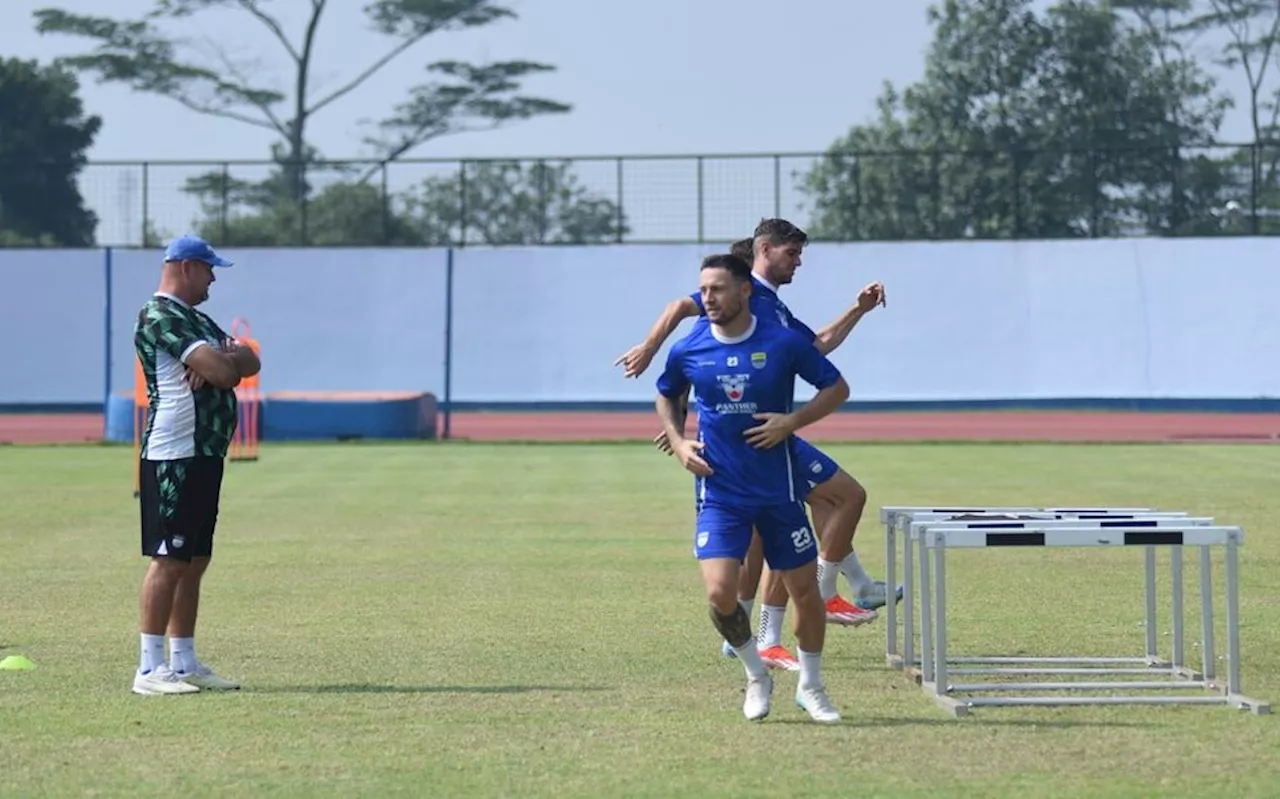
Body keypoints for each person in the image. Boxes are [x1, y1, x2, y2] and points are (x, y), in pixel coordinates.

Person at [618, 219, 899, 669]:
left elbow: (816, 347)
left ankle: (766, 626)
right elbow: (688, 336)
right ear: (764, 250)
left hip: (765, 435)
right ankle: (823, 597)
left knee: (789, 526)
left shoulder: (771, 309)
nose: (799, 262)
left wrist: (858, 309)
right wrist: (655, 359)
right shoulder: (737, 293)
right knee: (835, 499)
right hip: (738, 446)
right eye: (793, 253)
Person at [655, 251, 847, 722]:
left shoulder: (781, 343)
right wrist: (680, 443)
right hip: (720, 493)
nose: (708, 299)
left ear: (745, 291)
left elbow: (836, 388)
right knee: (721, 596)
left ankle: (812, 685)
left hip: (779, 492)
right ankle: (756, 674)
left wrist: (792, 422)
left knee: (805, 592)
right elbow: (665, 392)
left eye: (717, 289)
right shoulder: (689, 348)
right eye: (703, 291)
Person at [131, 234, 261, 696]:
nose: (212, 280)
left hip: (203, 452)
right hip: (175, 452)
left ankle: (184, 662)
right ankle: (149, 669)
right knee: (169, 557)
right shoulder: (160, 315)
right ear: (187, 267)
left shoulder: (196, 319)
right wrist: (223, 362)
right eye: (209, 270)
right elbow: (229, 374)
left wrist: (220, 357)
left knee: (195, 558)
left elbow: (248, 359)